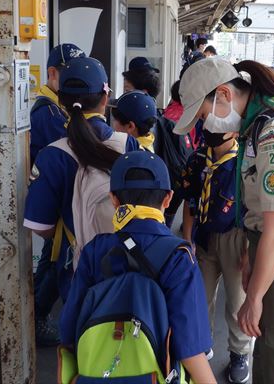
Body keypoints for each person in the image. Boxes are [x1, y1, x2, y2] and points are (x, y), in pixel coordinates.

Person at [173, 57, 274, 384]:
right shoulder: (258, 127)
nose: (205, 126)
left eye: (202, 116)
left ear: (224, 95)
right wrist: (248, 257)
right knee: (271, 352)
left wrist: (253, 298)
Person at [60, 151, 217, 384]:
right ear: (168, 199)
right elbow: (190, 349)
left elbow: (69, 333)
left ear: (114, 199)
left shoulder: (94, 252)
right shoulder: (179, 258)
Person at [24, 57, 139, 302]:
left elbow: (39, 226)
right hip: (128, 256)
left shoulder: (52, 154)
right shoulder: (128, 144)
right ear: (105, 99)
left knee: (83, 332)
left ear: (62, 101)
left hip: (74, 263)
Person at [181, 131, 252, 383]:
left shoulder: (245, 161)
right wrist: (187, 240)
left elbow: (253, 209)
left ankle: (239, 352)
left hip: (235, 236)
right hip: (203, 236)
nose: (210, 129)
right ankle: (202, 342)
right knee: (201, 295)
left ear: (233, 130)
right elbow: (190, 203)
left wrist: (248, 253)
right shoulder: (198, 159)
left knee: (236, 300)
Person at [30, 43, 85, 346]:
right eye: (70, 74)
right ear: (53, 74)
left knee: (51, 261)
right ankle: (35, 319)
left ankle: (34, 316)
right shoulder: (49, 113)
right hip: (53, 202)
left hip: (57, 200)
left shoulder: (57, 107)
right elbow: (69, 156)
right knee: (55, 262)